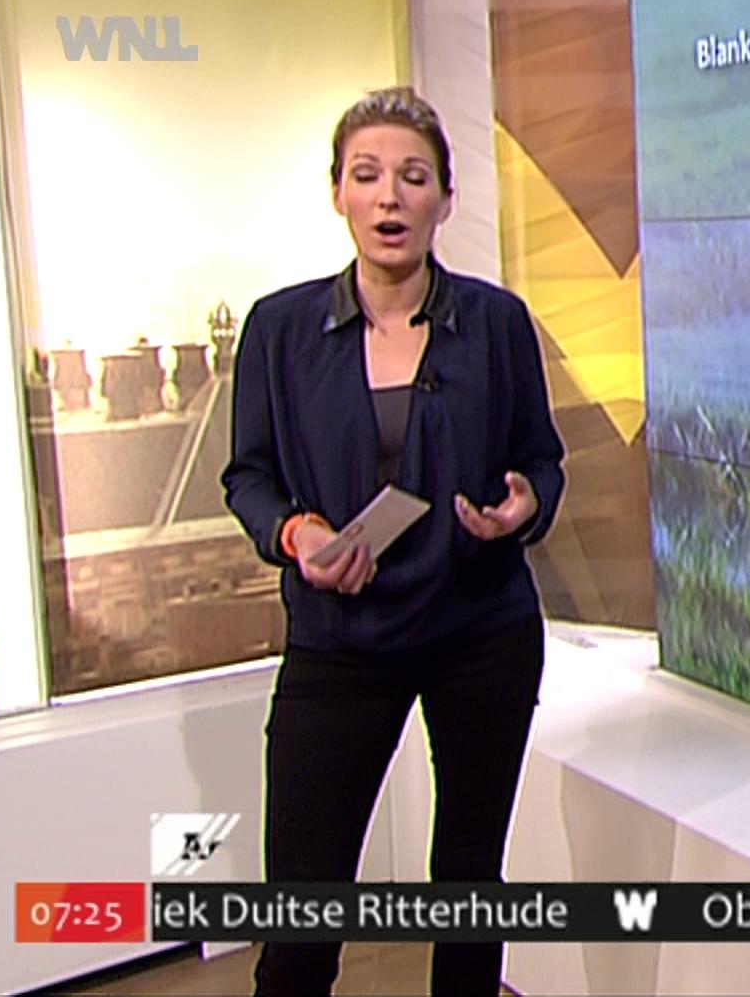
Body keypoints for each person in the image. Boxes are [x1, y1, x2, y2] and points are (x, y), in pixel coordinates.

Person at [222, 85, 564, 995]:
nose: (389, 197)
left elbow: (541, 459)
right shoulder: (279, 330)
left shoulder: (495, 323)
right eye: (367, 175)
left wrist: (523, 506)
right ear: (337, 192)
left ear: (445, 199)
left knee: (468, 889)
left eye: (413, 177)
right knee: (302, 917)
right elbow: (247, 477)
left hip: (480, 632)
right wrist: (295, 532)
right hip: (339, 641)